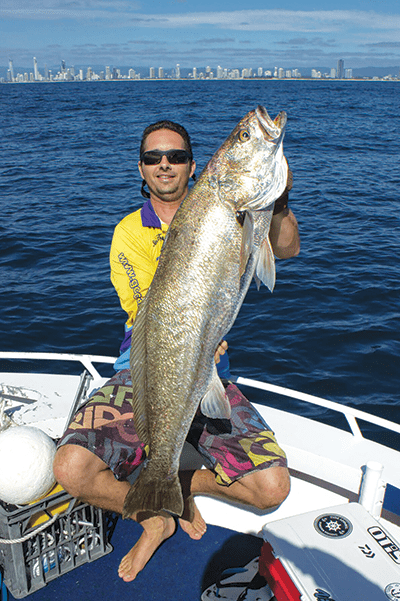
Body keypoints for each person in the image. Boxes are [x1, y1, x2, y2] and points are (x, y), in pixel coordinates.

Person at [53, 119, 300, 584]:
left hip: (213, 373)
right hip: (144, 370)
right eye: (153, 158)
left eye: (176, 156)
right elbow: (149, 310)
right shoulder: (129, 232)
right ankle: (154, 513)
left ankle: (179, 485)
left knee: (272, 489)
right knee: (70, 467)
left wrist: (279, 199)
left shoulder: (233, 208)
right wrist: (199, 340)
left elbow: (285, 250)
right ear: (142, 168)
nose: (164, 165)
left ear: (194, 165)